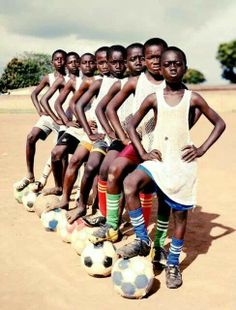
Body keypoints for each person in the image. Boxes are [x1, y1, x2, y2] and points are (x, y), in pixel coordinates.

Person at [115, 46, 226, 289]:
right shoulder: (153, 98)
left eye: (178, 63)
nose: (172, 67)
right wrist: (143, 152)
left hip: (182, 165)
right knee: (129, 183)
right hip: (159, 161)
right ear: (160, 68)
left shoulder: (192, 98)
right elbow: (132, 126)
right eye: (167, 64)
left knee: (179, 215)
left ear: (185, 67)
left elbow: (219, 123)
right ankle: (143, 240)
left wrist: (202, 149)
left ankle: (174, 263)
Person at [89, 38, 169, 243]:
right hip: (138, 141)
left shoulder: (173, 83)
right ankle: (112, 224)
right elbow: (108, 108)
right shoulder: (136, 82)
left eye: (160, 57)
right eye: (150, 57)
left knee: (155, 188)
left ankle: (155, 241)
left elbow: (191, 111)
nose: (156, 61)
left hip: (162, 146)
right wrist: (123, 136)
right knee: (115, 170)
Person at [47, 45, 126, 218]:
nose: (105, 65)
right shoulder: (97, 82)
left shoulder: (127, 83)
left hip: (112, 136)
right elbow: (76, 104)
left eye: (108, 61)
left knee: (96, 168)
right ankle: (67, 199)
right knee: (77, 161)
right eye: (102, 62)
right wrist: (84, 127)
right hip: (96, 133)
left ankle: (99, 208)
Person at [80, 42, 145, 227]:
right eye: (133, 59)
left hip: (143, 139)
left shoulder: (154, 83)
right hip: (122, 137)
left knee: (125, 176)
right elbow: (104, 108)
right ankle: (105, 214)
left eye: (142, 58)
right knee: (105, 169)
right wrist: (112, 131)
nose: (138, 62)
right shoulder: (122, 84)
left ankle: (119, 219)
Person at [42, 53, 97, 196]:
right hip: (78, 127)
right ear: (80, 65)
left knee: (86, 160)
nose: (88, 66)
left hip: (93, 128)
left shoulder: (100, 81)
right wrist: (66, 121)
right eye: (84, 63)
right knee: (56, 153)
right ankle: (59, 187)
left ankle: (83, 193)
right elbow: (57, 103)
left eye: (91, 63)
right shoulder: (75, 82)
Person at [15, 49, 67, 191]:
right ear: (52, 62)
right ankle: (30, 175)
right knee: (31, 136)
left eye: (63, 59)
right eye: (57, 59)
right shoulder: (49, 77)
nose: (60, 62)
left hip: (63, 119)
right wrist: (39, 110)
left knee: (60, 153)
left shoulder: (71, 78)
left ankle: (61, 186)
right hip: (49, 116)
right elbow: (34, 94)